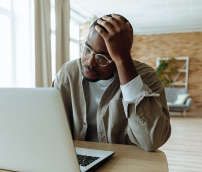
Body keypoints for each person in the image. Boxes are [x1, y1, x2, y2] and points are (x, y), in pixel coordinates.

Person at [52, 13, 171, 152]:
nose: (89, 61)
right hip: (74, 158)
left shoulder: (146, 76)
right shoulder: (69, 72)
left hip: (124, 163)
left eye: (102, 57)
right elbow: (49, 121)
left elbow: (152, 140)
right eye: (87, 49)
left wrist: (124, 61)